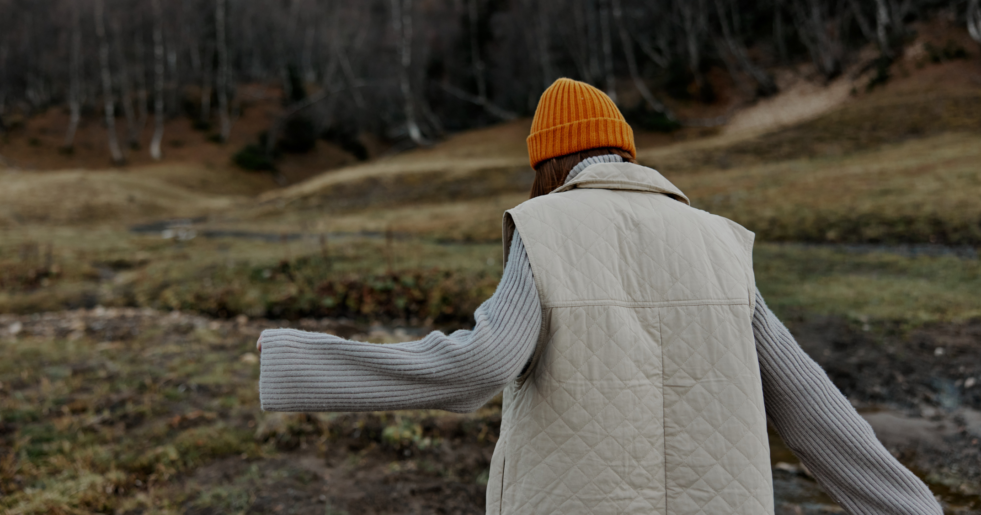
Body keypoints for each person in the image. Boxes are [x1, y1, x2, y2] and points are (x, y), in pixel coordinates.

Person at [258, 78, 941, 514]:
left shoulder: (547, 228)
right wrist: (913, 508)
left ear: (546, 163)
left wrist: (297, 364)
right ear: (628, 153)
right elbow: (809, 407)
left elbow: (478, 367)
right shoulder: (718, 241)